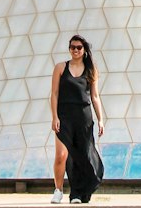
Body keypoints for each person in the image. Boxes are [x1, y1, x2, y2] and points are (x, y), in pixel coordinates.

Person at [49, 33, 105, 204]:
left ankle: (77, 194)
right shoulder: (60, 68)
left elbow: (95, 96)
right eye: (72, 47)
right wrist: (55, 117)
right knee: (61, 154)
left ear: (84, 50)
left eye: (79, 47)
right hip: (64, 116)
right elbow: (54, 94)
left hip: (83, 117)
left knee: (82, 156)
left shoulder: (91, 69)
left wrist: (101, 119)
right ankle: (58, 189)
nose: (75, 50)